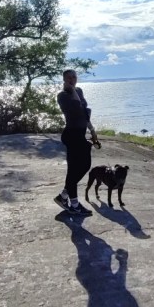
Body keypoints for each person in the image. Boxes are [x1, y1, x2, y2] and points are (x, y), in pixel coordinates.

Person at [55, 69, 99, 215]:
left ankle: (64, 196)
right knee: (73, 170)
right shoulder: (62, 96)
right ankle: (74, 205)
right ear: (64, 80)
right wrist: (72, 89)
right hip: (71, 135)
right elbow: (74, 106)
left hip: (80, 134)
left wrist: (92, 131)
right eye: (68, 78)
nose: (72, 79)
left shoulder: (79, 91)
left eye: (74, 77)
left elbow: (84, 112)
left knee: (85, 165)